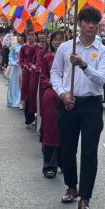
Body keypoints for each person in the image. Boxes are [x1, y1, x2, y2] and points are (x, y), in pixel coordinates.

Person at [50, 7, 105, 209]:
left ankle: (85, 198)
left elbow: (101, 79)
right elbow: (55, 73)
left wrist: (83, 64)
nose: (90, 25)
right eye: (86, 21)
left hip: (92, 105)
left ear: (98, 25)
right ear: (80, 23)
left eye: (94, 22)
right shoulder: (66, 47)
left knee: (89, 153)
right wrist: (62, 94)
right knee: (67, 149)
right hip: (69, 103)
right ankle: (71, 186)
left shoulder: (104, 52)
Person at [39, 30, 64, 178]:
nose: (58, 42)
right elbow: (43, 77)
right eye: (55, 39)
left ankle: (62, 162)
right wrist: (53, 83)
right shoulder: (46, 57)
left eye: (61, 39)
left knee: (65, 131)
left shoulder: (70, 58)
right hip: (51, 96)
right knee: (50, 130)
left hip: (66, 97)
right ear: (51, 41)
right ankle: (49, 165)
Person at [26, 31, 47, 126]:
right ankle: (32, 117)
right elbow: (29, 61)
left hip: (46, 75)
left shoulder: (49, 49)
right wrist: (33, 67)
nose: (42, 36)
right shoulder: (34, 48)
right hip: (35, 75)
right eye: (40, 34)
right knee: (33, 95)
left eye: (44, 34)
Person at [19, 29, 38, 125]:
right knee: (26, 93)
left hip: (36, 73)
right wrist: (25, 66)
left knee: (34, 93)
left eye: (32, 35)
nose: (31, 37)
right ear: (26, 36)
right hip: (26, 72)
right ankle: (27, 116)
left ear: (35, 36)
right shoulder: (23, 47)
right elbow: (21, 60)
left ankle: (34, 115)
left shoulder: (38, 47)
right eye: (29, 35)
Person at [6, 34, 23, 108]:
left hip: (23, 68)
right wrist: (13, 62)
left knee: (21, 84)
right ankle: (12, 101)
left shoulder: (25, 46)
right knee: (13, 83)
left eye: (20, 36)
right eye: (18, 36)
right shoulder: (14, 46)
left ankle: (20, 101)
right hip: (15, 67)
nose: (19, 38)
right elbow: (10, 56)